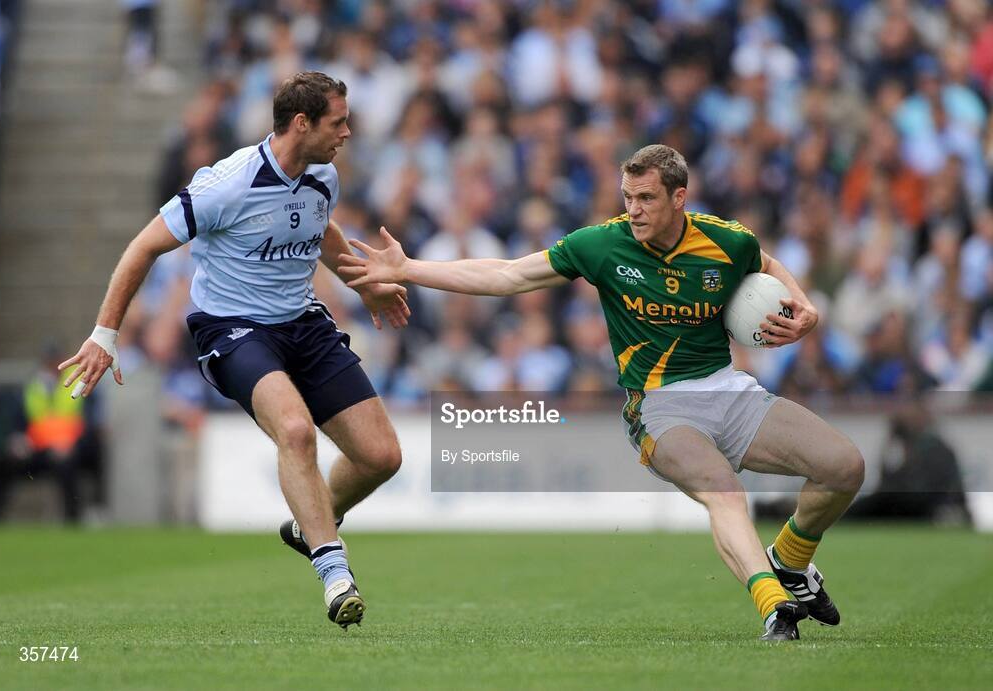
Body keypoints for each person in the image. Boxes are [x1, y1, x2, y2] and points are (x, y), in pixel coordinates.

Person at [339, 144, 865, 642]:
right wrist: (408, 268)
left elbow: (765, 264)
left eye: (646, 199)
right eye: (627, 198)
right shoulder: (600, 244)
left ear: (679, 197)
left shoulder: (727, 241)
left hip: (730, 390)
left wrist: (804, 304)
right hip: (658, 406)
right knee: (723, 490)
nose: (633, 210)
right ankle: (774, 605)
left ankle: (790, 562)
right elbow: (507, 274)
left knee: (844, 467)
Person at [59, 72, 410, 629]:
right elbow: (143, 246)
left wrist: (364, 283)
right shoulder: (226, 184)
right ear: (303, 124)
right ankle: (335, 572)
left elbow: (320, 231)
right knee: (294, 430)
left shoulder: (324, 175)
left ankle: (309, 524)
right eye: (338, 122)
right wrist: (105, 333)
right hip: (232, 329)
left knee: (382, 456)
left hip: (303, 323)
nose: (348, 132)